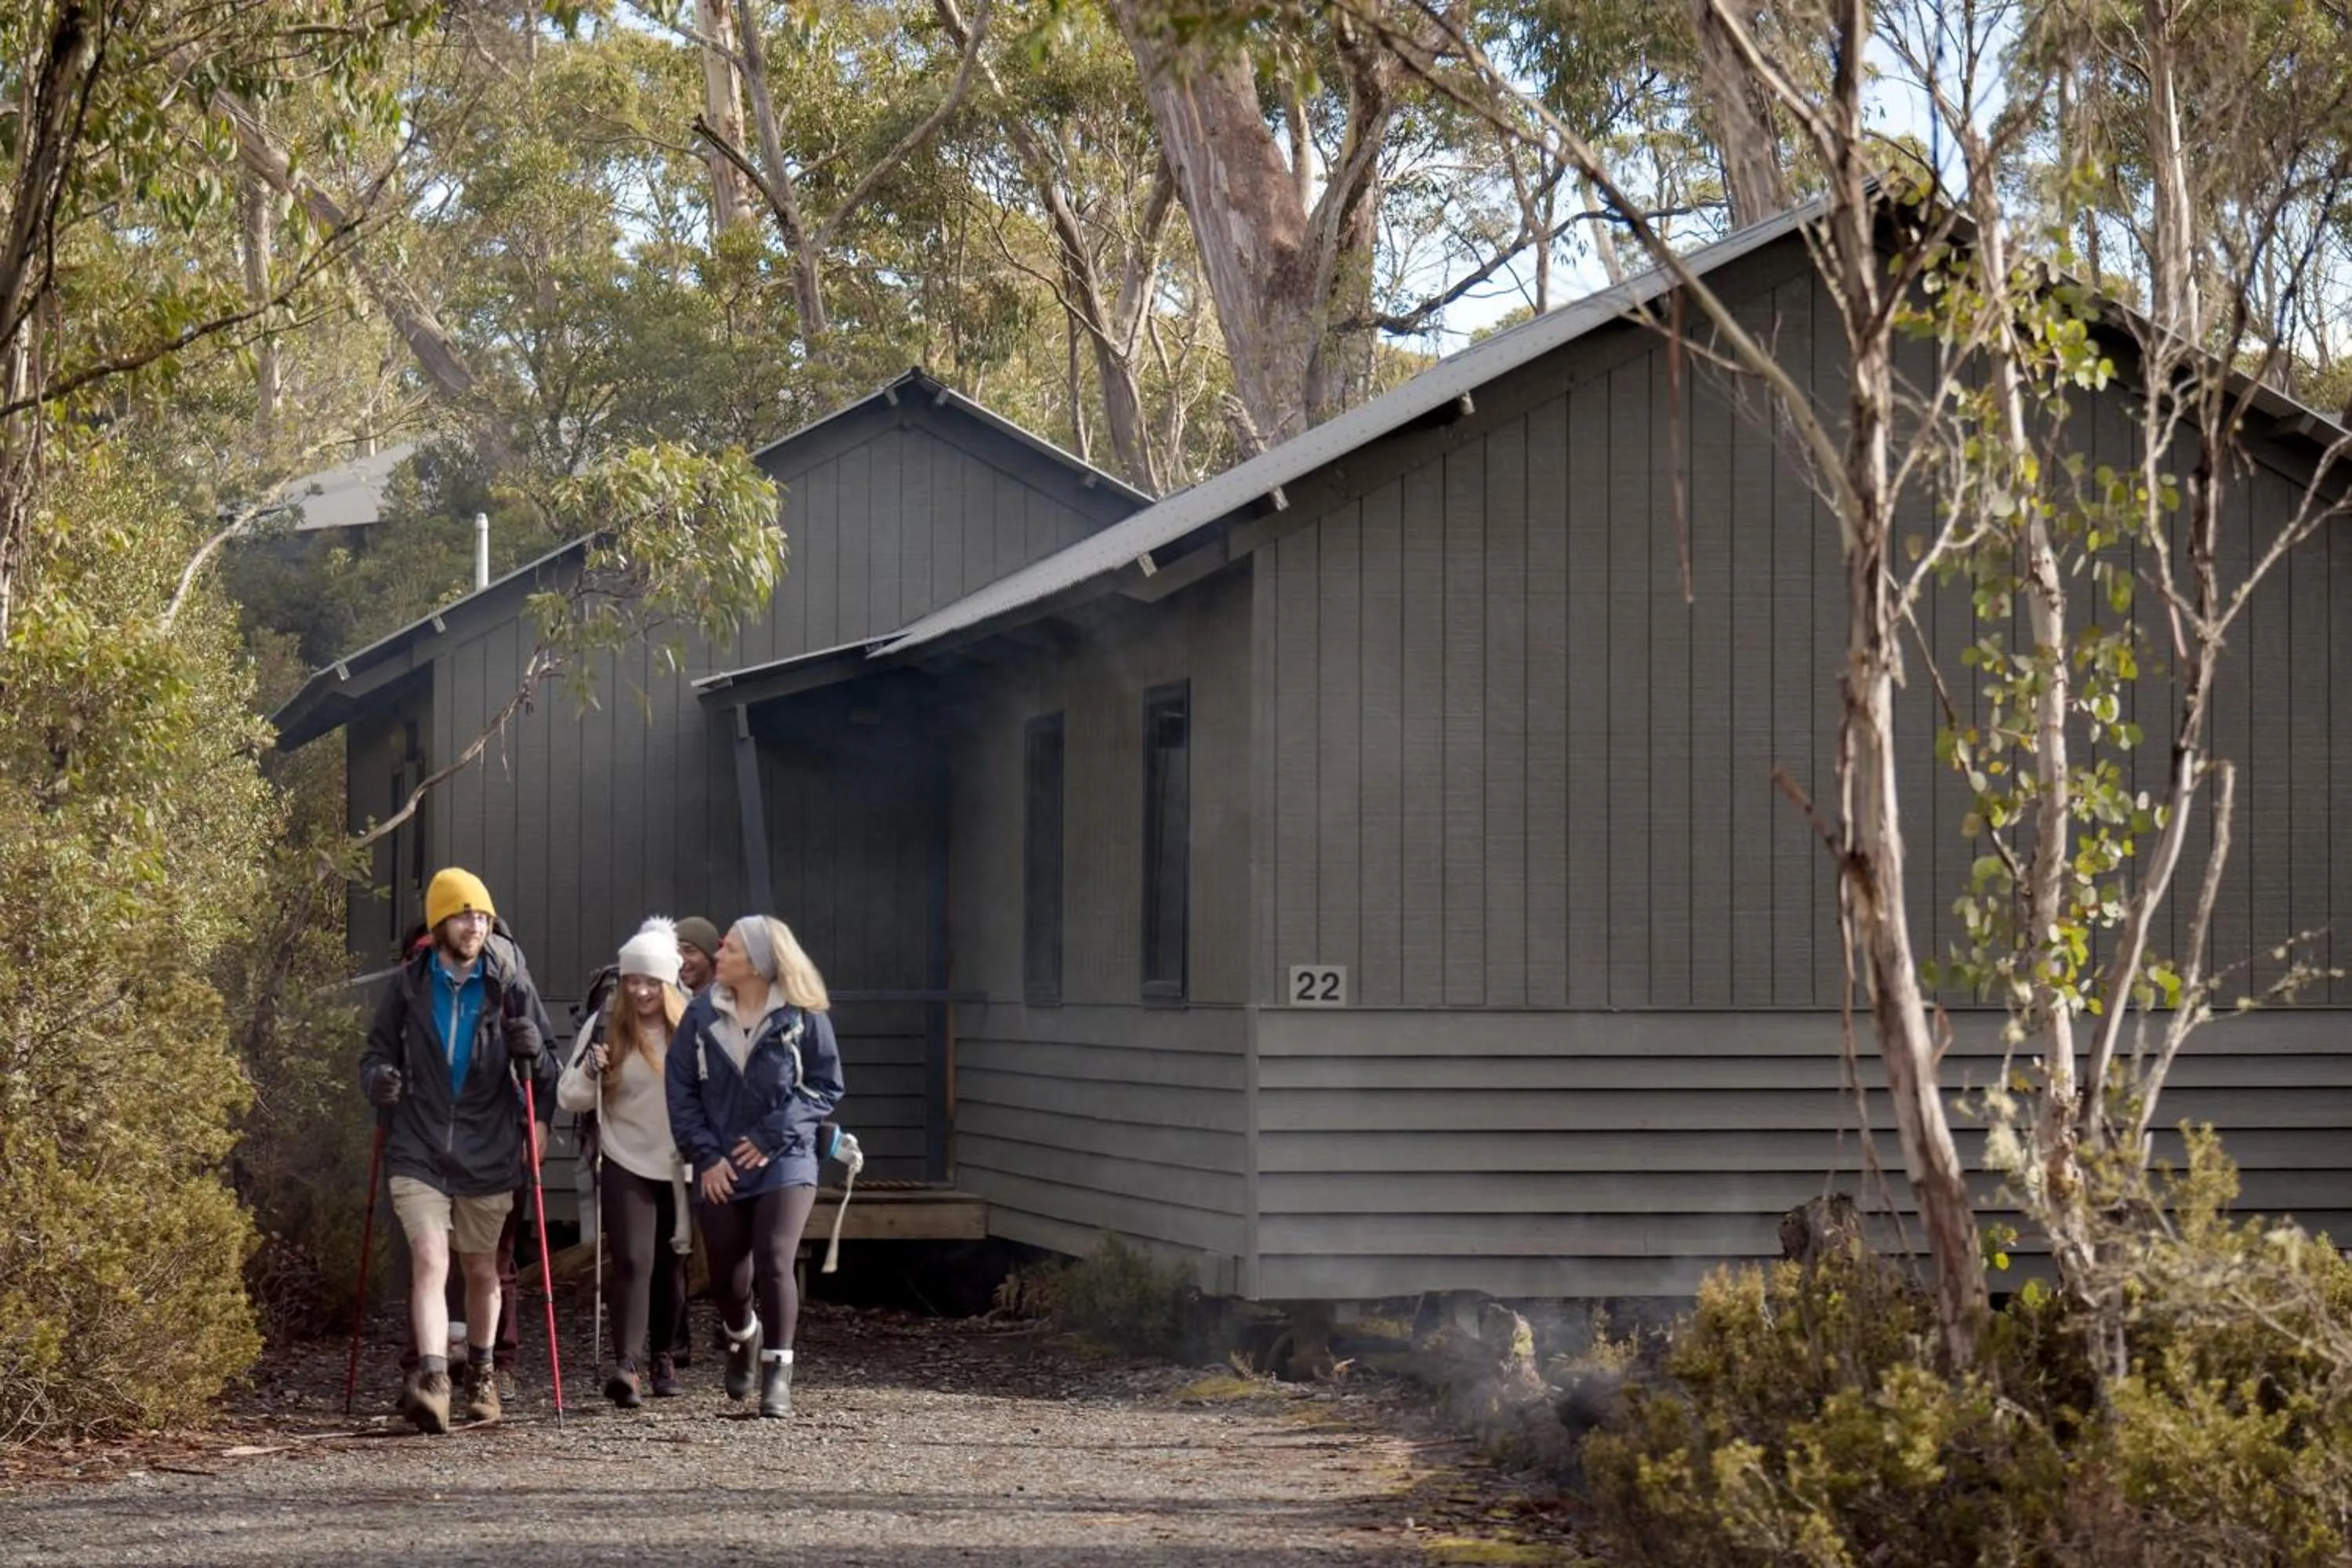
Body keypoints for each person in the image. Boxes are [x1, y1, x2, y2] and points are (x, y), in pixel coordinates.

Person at [359, 869, 551, 1434]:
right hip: (417, 1144)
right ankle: (433, 1380)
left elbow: (548, 1066)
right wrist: (378, 1081)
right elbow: (374, 1054)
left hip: (488, 1147)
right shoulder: (409, 985)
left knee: (482, 1268)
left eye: (483, 916)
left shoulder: (509, 982)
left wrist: (534, 1051)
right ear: (441, 921)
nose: (476, 926)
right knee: (429, 1258)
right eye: (465, 916)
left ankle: (483, 1374)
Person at [666, 915, 845, 1417]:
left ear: (760, 962)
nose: (718, 956)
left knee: (774, 1257)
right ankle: (743, 1334)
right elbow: (680, 1091)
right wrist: (706, 1156)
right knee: (727, 1277)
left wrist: (772, 1134)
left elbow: (825, 1085)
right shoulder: (701, 1014)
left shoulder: (802, 1013)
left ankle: (777, 1374)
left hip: (786, 1156)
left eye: (729, 949)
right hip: (720, 1161)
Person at [559, 918, 694, 1406]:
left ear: (669, 983)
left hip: (680, 1164)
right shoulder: (605, 1025)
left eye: (651, 981)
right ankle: (627, 1366)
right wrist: (590, 1070)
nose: (640, 991)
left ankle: (663, 1356)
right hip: (623, 1157)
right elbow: (569, 1097)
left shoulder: (693, 1028)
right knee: (633, 1260)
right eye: (633, 980)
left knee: (671, 1266)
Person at [674, 916, 720, 995]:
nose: (680, 961)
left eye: (689, 951)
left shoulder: (726, 999)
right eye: (676, 953)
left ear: (710, 956)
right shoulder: (677, 999)